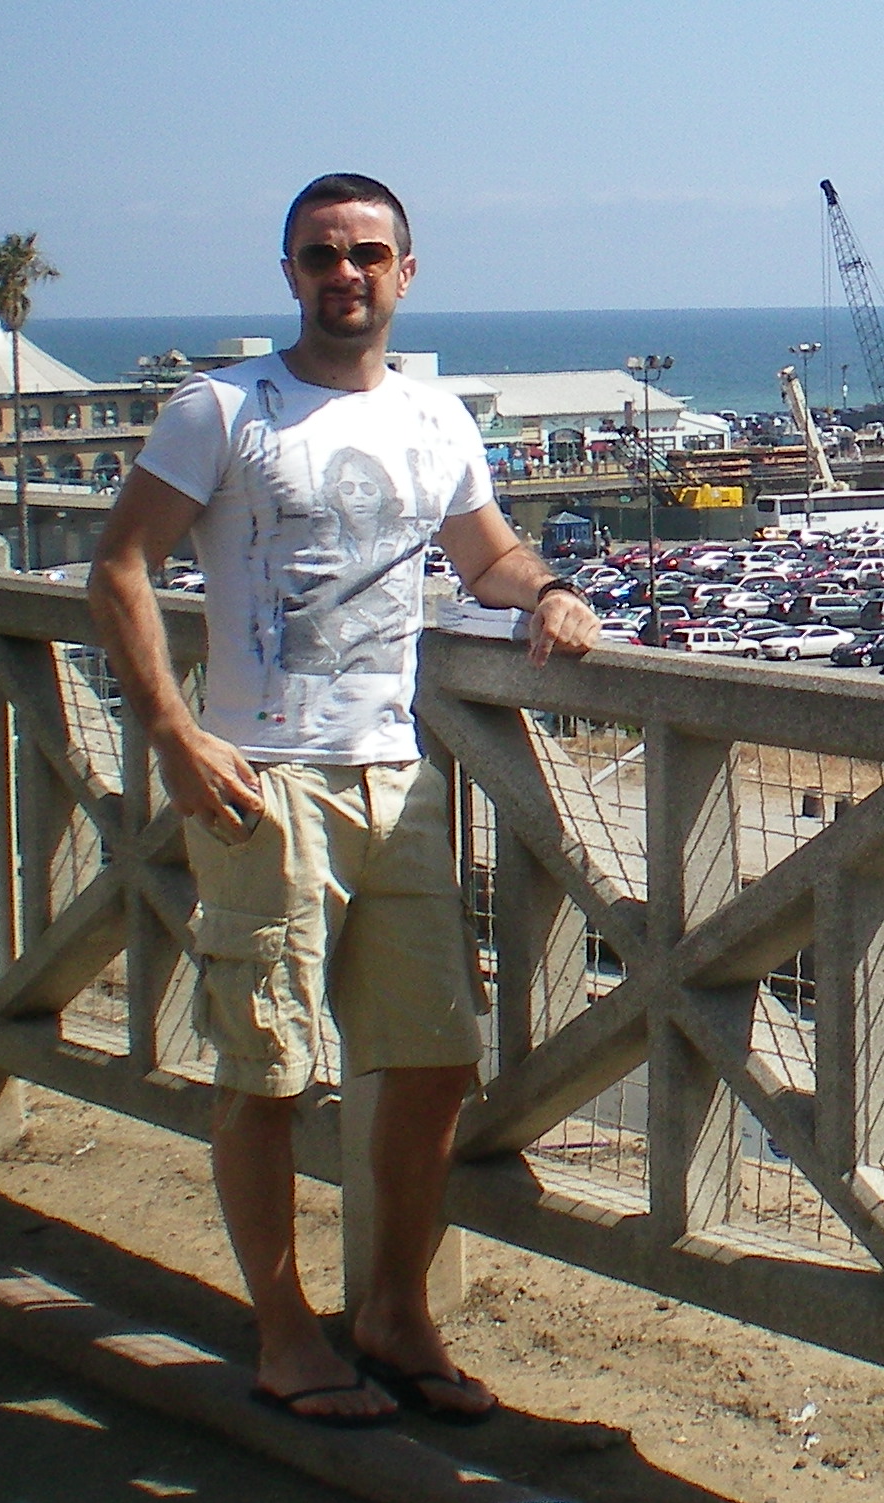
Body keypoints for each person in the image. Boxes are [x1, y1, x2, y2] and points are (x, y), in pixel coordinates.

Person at [89, 174, 599, 1428]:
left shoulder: (434, 418)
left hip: (396, 777)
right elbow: (121, 565)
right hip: (265, 783)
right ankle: (282, 1333)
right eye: (322, 255)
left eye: (369, 253)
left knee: (432, 1061)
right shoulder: (222, 410)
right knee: (267, 1072)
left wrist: (546, 594)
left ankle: (392, 1314)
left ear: (406, 273)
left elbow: (484, 551)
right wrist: (173, 734)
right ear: (291, 274)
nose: (346, 273)